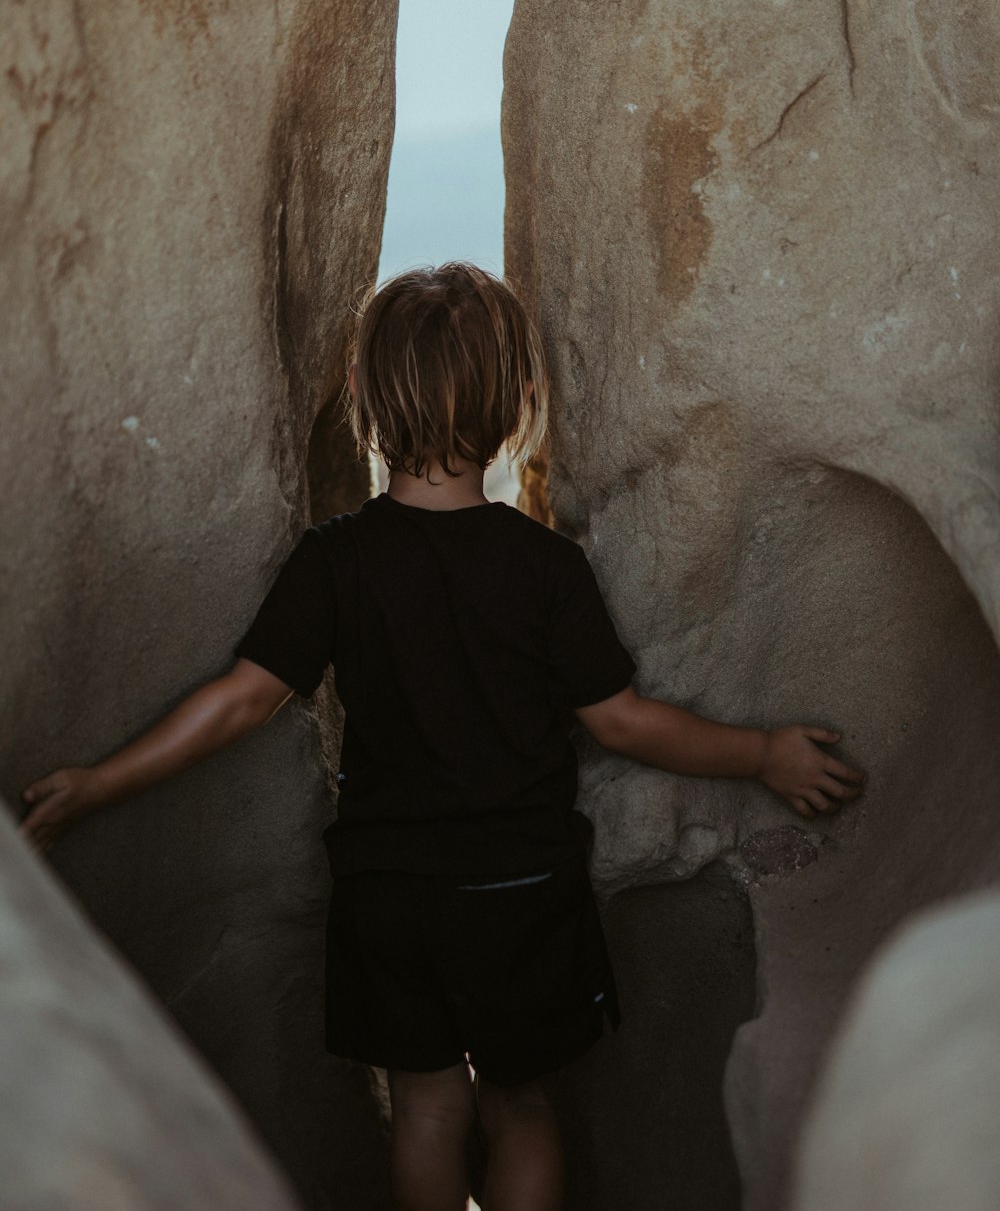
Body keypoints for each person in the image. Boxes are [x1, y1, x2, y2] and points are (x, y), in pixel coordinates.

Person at [20, 262, 866, 1211]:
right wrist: (762, 754)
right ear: (515, 405)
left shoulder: (335, 561)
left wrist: (97, 785)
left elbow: (239, 702)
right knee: (524, 1110)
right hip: (523, 891)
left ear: (362, 398)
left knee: (425, 1115)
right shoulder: (545, 568)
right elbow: (624, 721)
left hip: (391, 898)